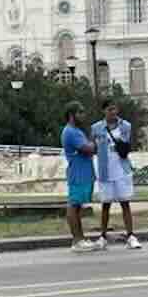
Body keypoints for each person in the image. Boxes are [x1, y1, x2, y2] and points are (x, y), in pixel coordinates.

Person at [91, 99, 143, 250]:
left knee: (125, 203)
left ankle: (131, 235)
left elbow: (127, 144)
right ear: (104, 111)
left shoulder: (125, 126)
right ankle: (103, 236)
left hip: (121, 168)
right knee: (105, 204)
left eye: (114, 109)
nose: (113, 112)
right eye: (109, 109)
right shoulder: (96, 128)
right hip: (105, 170)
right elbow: (94, 146)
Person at [62, 104, 98, 251]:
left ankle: (81, 238)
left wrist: (91, 146)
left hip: (83, 171)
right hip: (77, 172)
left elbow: (89, 149)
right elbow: (88, 148)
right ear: (72, 115)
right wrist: (93, 142)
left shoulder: (76, 131)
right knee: (73, 205)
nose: (83, 115)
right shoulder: (70, 132)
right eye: (80, 112)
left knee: (77, 207)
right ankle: (77, 240)